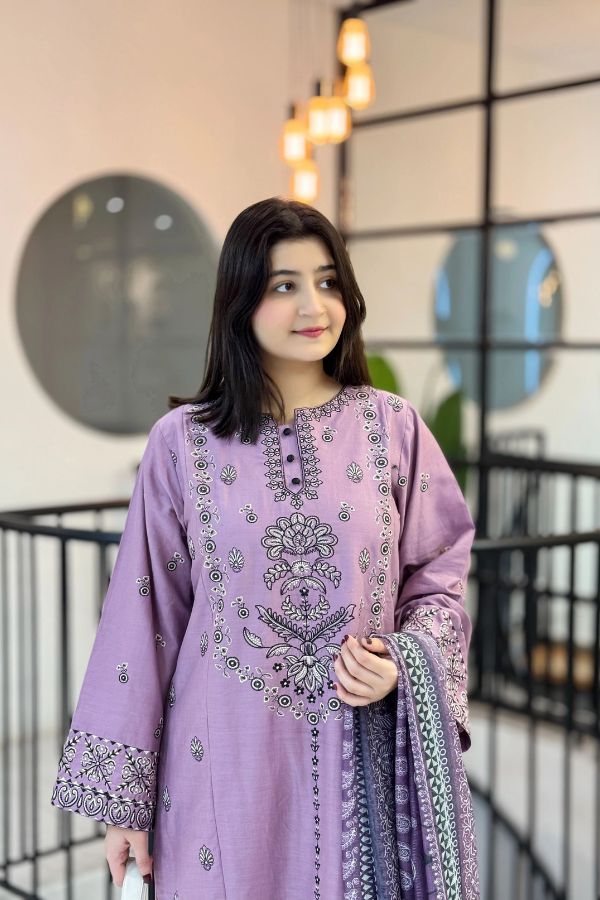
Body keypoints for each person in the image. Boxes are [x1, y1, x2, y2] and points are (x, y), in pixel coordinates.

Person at [50, 197, 479, 899]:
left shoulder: (394, 428)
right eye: (285, 285)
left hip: (358, 760)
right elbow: (144, 616)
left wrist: (405, 663)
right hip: (220, 763)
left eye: (328, 280)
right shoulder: (181, 444)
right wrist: (122, 806)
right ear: (241, 300)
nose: (314, 303)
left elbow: (440, 572)